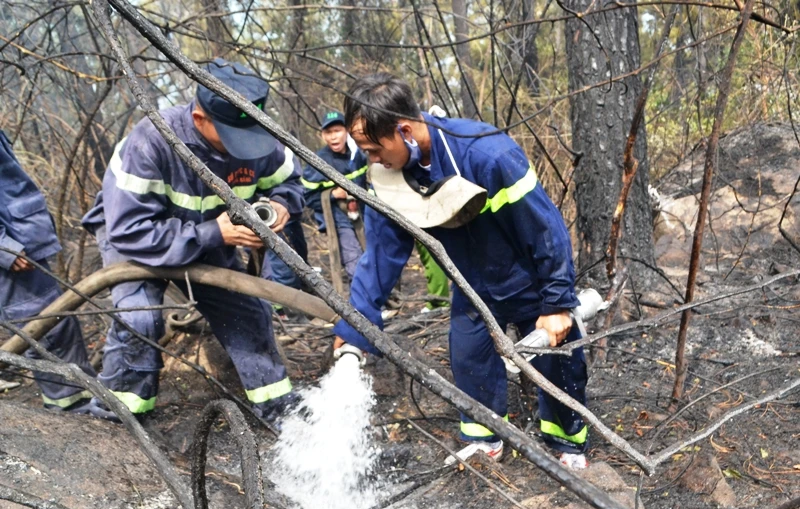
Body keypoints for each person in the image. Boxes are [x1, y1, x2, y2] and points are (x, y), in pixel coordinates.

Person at [332, 73, 589, 469]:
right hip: (471, 284)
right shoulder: (389, 178)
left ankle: (567, 442)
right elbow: (381, 256)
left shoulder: (488, 156)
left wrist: (557, 303)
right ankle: (486, 439)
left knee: (557, 362)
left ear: (404, 129)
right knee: (470, 359)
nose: (373, 160)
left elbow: (545, 229)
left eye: (374, 149)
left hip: (527, 279)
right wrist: (355, 327)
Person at [81, 58, 303, 423]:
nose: (243, 150)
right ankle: (118, 416)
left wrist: (280, 206)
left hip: (211, 236)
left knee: (249, 312)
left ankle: (277, 410)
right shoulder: (152, 142)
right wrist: (214, 233)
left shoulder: (257, 137)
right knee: (140, 319)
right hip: (137, 237)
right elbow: (129, 230)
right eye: (233, 138)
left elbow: (289, 182)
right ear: (201, 119)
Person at [0, 129, 114, 419]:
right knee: (46, 326)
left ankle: (79, 400)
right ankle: (72, 409)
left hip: (18, 238)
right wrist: (4, 248)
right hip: (11, 246)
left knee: (54, 323)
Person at [301, 110, 368, 280]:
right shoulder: (318, 162)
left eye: (337, 131)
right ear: (322, 135)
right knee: (355, 259)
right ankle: (360, 303)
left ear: (347, 131)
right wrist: (333, 194)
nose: (333, 137)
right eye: (328, 133)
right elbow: (307, 197)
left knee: (373, 256)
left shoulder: (359, 154)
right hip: (340, 221)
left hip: (365, 215)